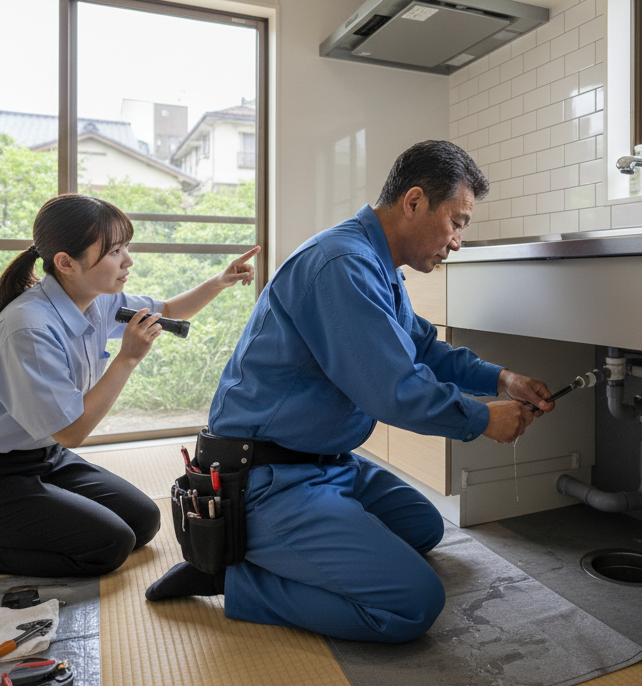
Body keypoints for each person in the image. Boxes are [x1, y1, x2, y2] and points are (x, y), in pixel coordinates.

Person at [144, 140, 553, 643]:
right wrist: (484, 419)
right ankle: (232, 579)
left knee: (423, 527)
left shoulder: (377, 264)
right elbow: (394, 390)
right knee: (413, 603)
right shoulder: (341, 263)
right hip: (263, 478)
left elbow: (423, 347)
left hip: (326, 463)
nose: (457, 242)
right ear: (415, 201)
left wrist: (502, 378)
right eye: (457, 222)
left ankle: (302, 540)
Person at [0, 193, 259, 578]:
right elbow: (72, 432)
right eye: (115, 251)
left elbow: (166, 310)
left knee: (143, 521)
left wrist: (220, 281)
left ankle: (11, 529)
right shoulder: (28, 329)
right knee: (108, 546)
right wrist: (127, 358)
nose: (128, 260)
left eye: (125, 247)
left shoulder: (95, 301)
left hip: (42, 458)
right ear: (66, 263)